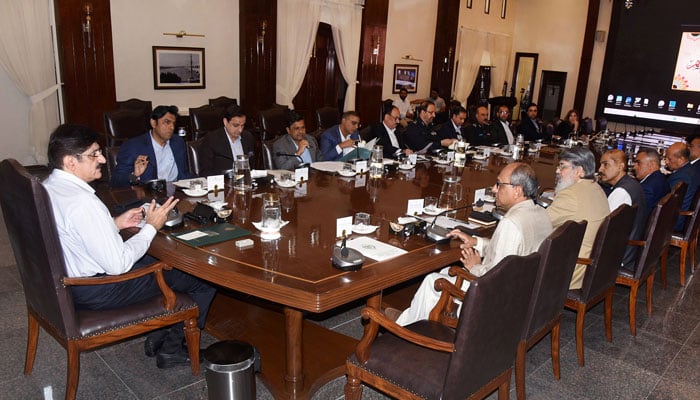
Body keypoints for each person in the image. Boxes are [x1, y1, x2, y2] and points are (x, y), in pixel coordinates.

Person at [43, 124, 216, 369]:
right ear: (71, 162)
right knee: (200, 278)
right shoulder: (82, 202)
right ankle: (173, 349)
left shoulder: (50, 186)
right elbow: (119, 264)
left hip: (72, 280)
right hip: (98, 289)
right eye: (94, 154)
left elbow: (73, 233)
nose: (102, 158)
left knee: (164, 265)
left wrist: (114, 223)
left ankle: (160, 334)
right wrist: (151, 227)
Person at [393, 162, 552, 326]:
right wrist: (476, 241)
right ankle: (415, 316)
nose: (494, 189)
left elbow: (498, 278)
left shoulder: (511, 223)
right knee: (446, 270)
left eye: (499, 184)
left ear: (517, 190)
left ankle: (404, 328)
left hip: (498, 299)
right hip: (523, 291)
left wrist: (474, 266)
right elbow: (513, 251)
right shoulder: (540, 212)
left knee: (432, 280)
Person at [547, 148, 610, 289]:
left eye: (562, 166)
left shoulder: (570, 195)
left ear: (579, 171)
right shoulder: (597, 188)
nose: (557, 171)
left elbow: (540, 224)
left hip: (573, 269)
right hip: (594, 266)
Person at [111, 105, 194, 187]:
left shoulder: (178, 142)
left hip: (177, 192)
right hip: (148, 195)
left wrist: (202, 182)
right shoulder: (133, 147)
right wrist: (135, 176)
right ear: (153, 123)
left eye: (173, 123)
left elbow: (184, 174)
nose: (172, 127)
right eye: (167, 122)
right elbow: (116, 181)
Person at [598, 149, 647, 269]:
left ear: (620, 167)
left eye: (606, 165)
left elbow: (603, 228)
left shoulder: (621, 192)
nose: (600, 169)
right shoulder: (633, 184)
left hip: (622, 256)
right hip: (631, 250)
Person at [198, 104, 255, 176]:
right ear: (225, 122)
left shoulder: (248, 137)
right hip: (222, 183)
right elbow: (205, 172)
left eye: (242, 125)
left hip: (244, 183)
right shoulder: (211, 140)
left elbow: (252, 167)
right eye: (236, 125)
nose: (240, 130)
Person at [664, 142, 699, 232]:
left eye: (669, 159)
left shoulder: (682, 176)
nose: (666, 161)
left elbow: (665, 201)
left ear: (681, 160)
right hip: (684, 219)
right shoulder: (691, 170)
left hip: (676, 222)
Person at [633, 148, 670, 221]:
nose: (634, 167)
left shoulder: (647, 188)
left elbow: (638, 218)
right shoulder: (661, 179)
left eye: (638, 163)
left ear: (651, 165)